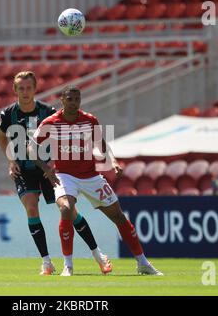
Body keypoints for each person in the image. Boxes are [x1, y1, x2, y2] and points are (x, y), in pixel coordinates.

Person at [29, 85, 163, 277]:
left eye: (77, 99)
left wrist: (113, 162)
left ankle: (142, 262)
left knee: (119, 217)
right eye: (69, 99)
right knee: (66, 209)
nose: (73, 102)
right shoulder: (51, 122)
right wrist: (46, 169)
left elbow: (102, 145)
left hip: (91, 177)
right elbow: (31, 149)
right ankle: (68, 265)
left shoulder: (90, 120)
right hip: (65, 175)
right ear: (62, 100)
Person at [0, 71, 112, 276]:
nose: (25, 92)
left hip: (48, 170)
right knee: (31, 208)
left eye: (29, 88)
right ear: (14, 90)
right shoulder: (7, 115)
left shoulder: (47, 111)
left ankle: (98, 255)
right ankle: (47, 262)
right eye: (21, 88)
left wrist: (52, 163)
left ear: (35, 89)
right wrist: (10, 161)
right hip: (24, 170)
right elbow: (3, 138)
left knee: (69, 211)